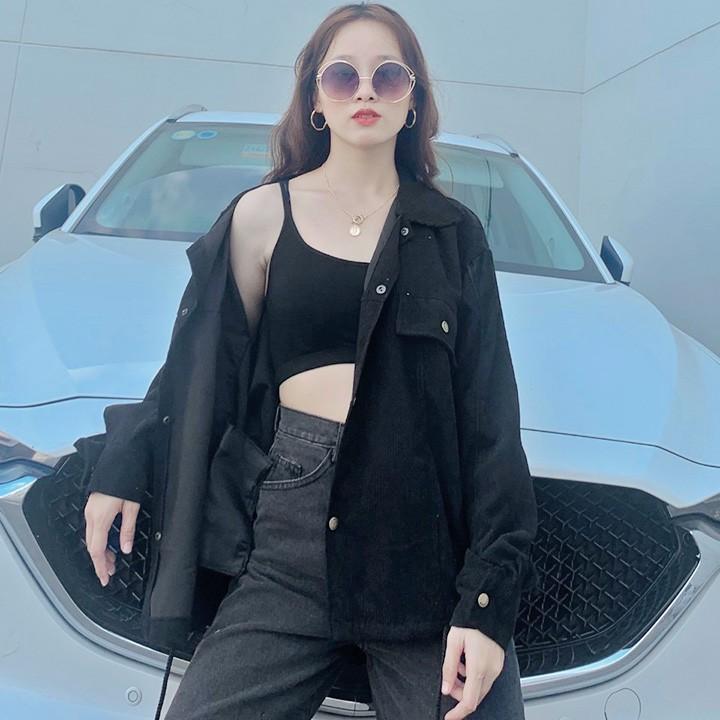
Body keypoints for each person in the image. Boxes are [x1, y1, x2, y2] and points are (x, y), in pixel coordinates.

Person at [82, 3, 538, 719]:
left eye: (389, 76)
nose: (366, 91)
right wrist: (125, 463)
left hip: (421, 556)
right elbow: (201, 368)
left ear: (412, 100)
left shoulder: (455, 236)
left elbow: (492, 427)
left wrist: (485, 605)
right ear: (315, 99)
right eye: (343, 75)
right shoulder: (262, 216)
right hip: (288, 543)